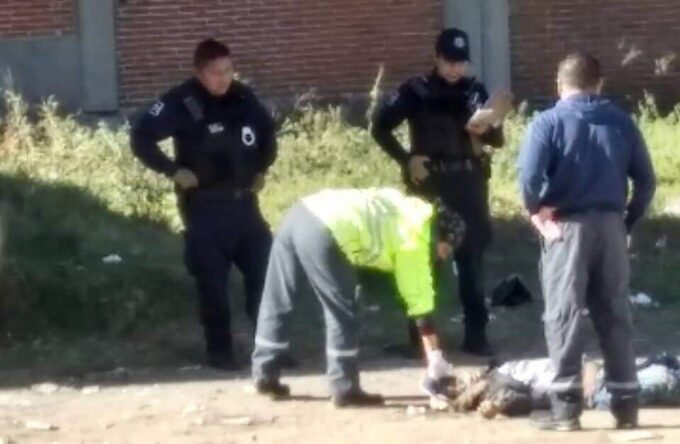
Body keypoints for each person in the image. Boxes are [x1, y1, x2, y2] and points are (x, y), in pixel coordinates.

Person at [517, 52, 656, 431]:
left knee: (564, 316)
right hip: (611, 226)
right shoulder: (622, 122)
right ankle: (626, 407)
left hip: (566, 228)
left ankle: (566, 410)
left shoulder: (547, 122)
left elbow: (529, 179)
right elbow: (646, 181)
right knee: (615, 315)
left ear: (559, 85)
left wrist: (536, 210)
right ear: (599, 83)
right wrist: (627, 221)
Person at [130, 39, 277, 371]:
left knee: (265, 277)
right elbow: (141, 137)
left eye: (228, 70)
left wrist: (262, 169)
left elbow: (267, 134)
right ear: (199, 73)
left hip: (245, 205)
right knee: (213, 285)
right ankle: (220, 352)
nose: (223, 79)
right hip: (205, 207)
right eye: (215, 73)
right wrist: (172, 170)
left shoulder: (243, 97)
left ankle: (270, 348)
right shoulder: (183, 101)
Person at [251, 188, 464, 407]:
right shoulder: (416, 237)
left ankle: (264, 374)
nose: (443, 257)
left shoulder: (406, 209)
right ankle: (344, 388)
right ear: (439, 235)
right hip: (327, 230)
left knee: (278, 297)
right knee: (342, 310)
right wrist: (435, 358)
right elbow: (420, 302)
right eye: (445, 249)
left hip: (300, 213)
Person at [372, 28, 506, 357]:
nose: (455, 69)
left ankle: (476, 335)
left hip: (469, 183)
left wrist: (486, 126)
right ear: (436, 58)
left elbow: (497, 139)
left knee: (471, 258)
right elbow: (380, 127)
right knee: (423, 260)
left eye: (461, 63)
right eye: (449, 62)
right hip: (430, 183)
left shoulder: (474, 92)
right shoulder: (416, 91)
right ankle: (420, 339)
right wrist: (406, 159)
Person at [450, 354, 680, 419]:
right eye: (458, 384)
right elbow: (521, 401)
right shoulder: (502, 388)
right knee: (666, 377)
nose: (465, 378)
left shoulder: (504, 371)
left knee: (665, 369)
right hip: (601, 390)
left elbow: (588, 362)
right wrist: (497, 407)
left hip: (602, 381)